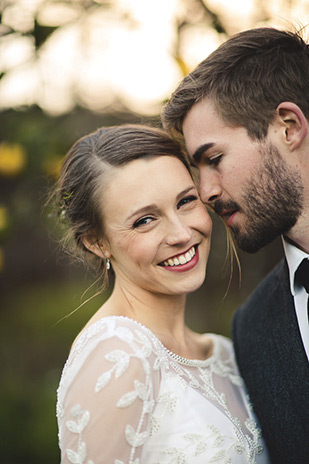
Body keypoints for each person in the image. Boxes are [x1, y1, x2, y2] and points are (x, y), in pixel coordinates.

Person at [54, 124, 270, 463]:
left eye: (186, 201)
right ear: (97, 242)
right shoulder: (117, 354)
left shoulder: (224, 352)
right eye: (145, 221)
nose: (182, 233)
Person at [162, 26, 309, 464]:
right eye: (197, 170)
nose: (205, 192)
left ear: (288, 127)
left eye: (215, 159)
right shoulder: (252, 329)